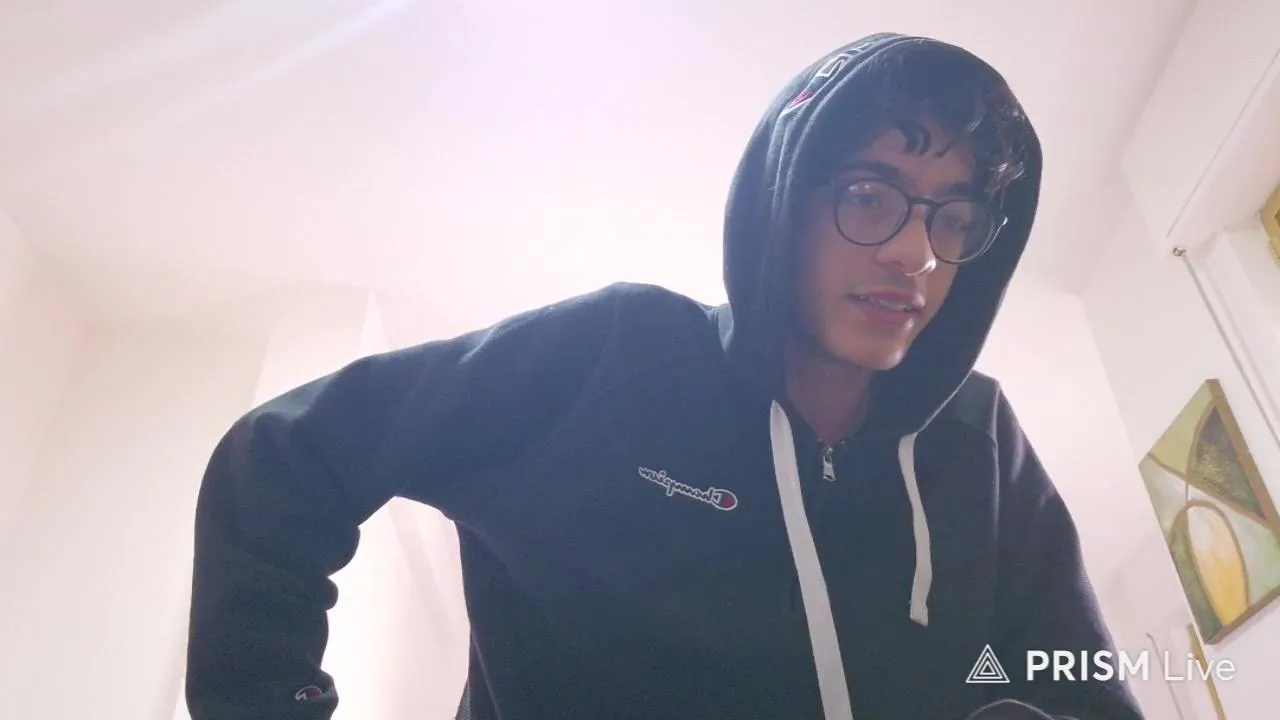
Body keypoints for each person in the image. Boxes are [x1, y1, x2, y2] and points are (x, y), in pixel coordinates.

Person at [184, 33, 1146, 720]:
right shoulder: (613, 358)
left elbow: (1077, 681)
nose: (916, 254)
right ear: (781, 203)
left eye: (954, 218)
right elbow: (285, 458)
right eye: (868, 196)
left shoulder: (977, 440)